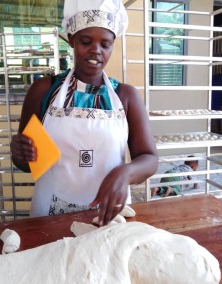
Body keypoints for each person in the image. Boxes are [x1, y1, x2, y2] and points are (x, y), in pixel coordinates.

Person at [10, 0, 158, 226]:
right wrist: (19, 154)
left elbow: (149, 159)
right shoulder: (43, 91)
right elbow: (27, 162)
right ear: (71, 39)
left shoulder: (126, 97)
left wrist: (125, 173)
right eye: (86, 41)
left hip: (109, 216)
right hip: (50, 216)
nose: (96, 50)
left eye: (105, 44)